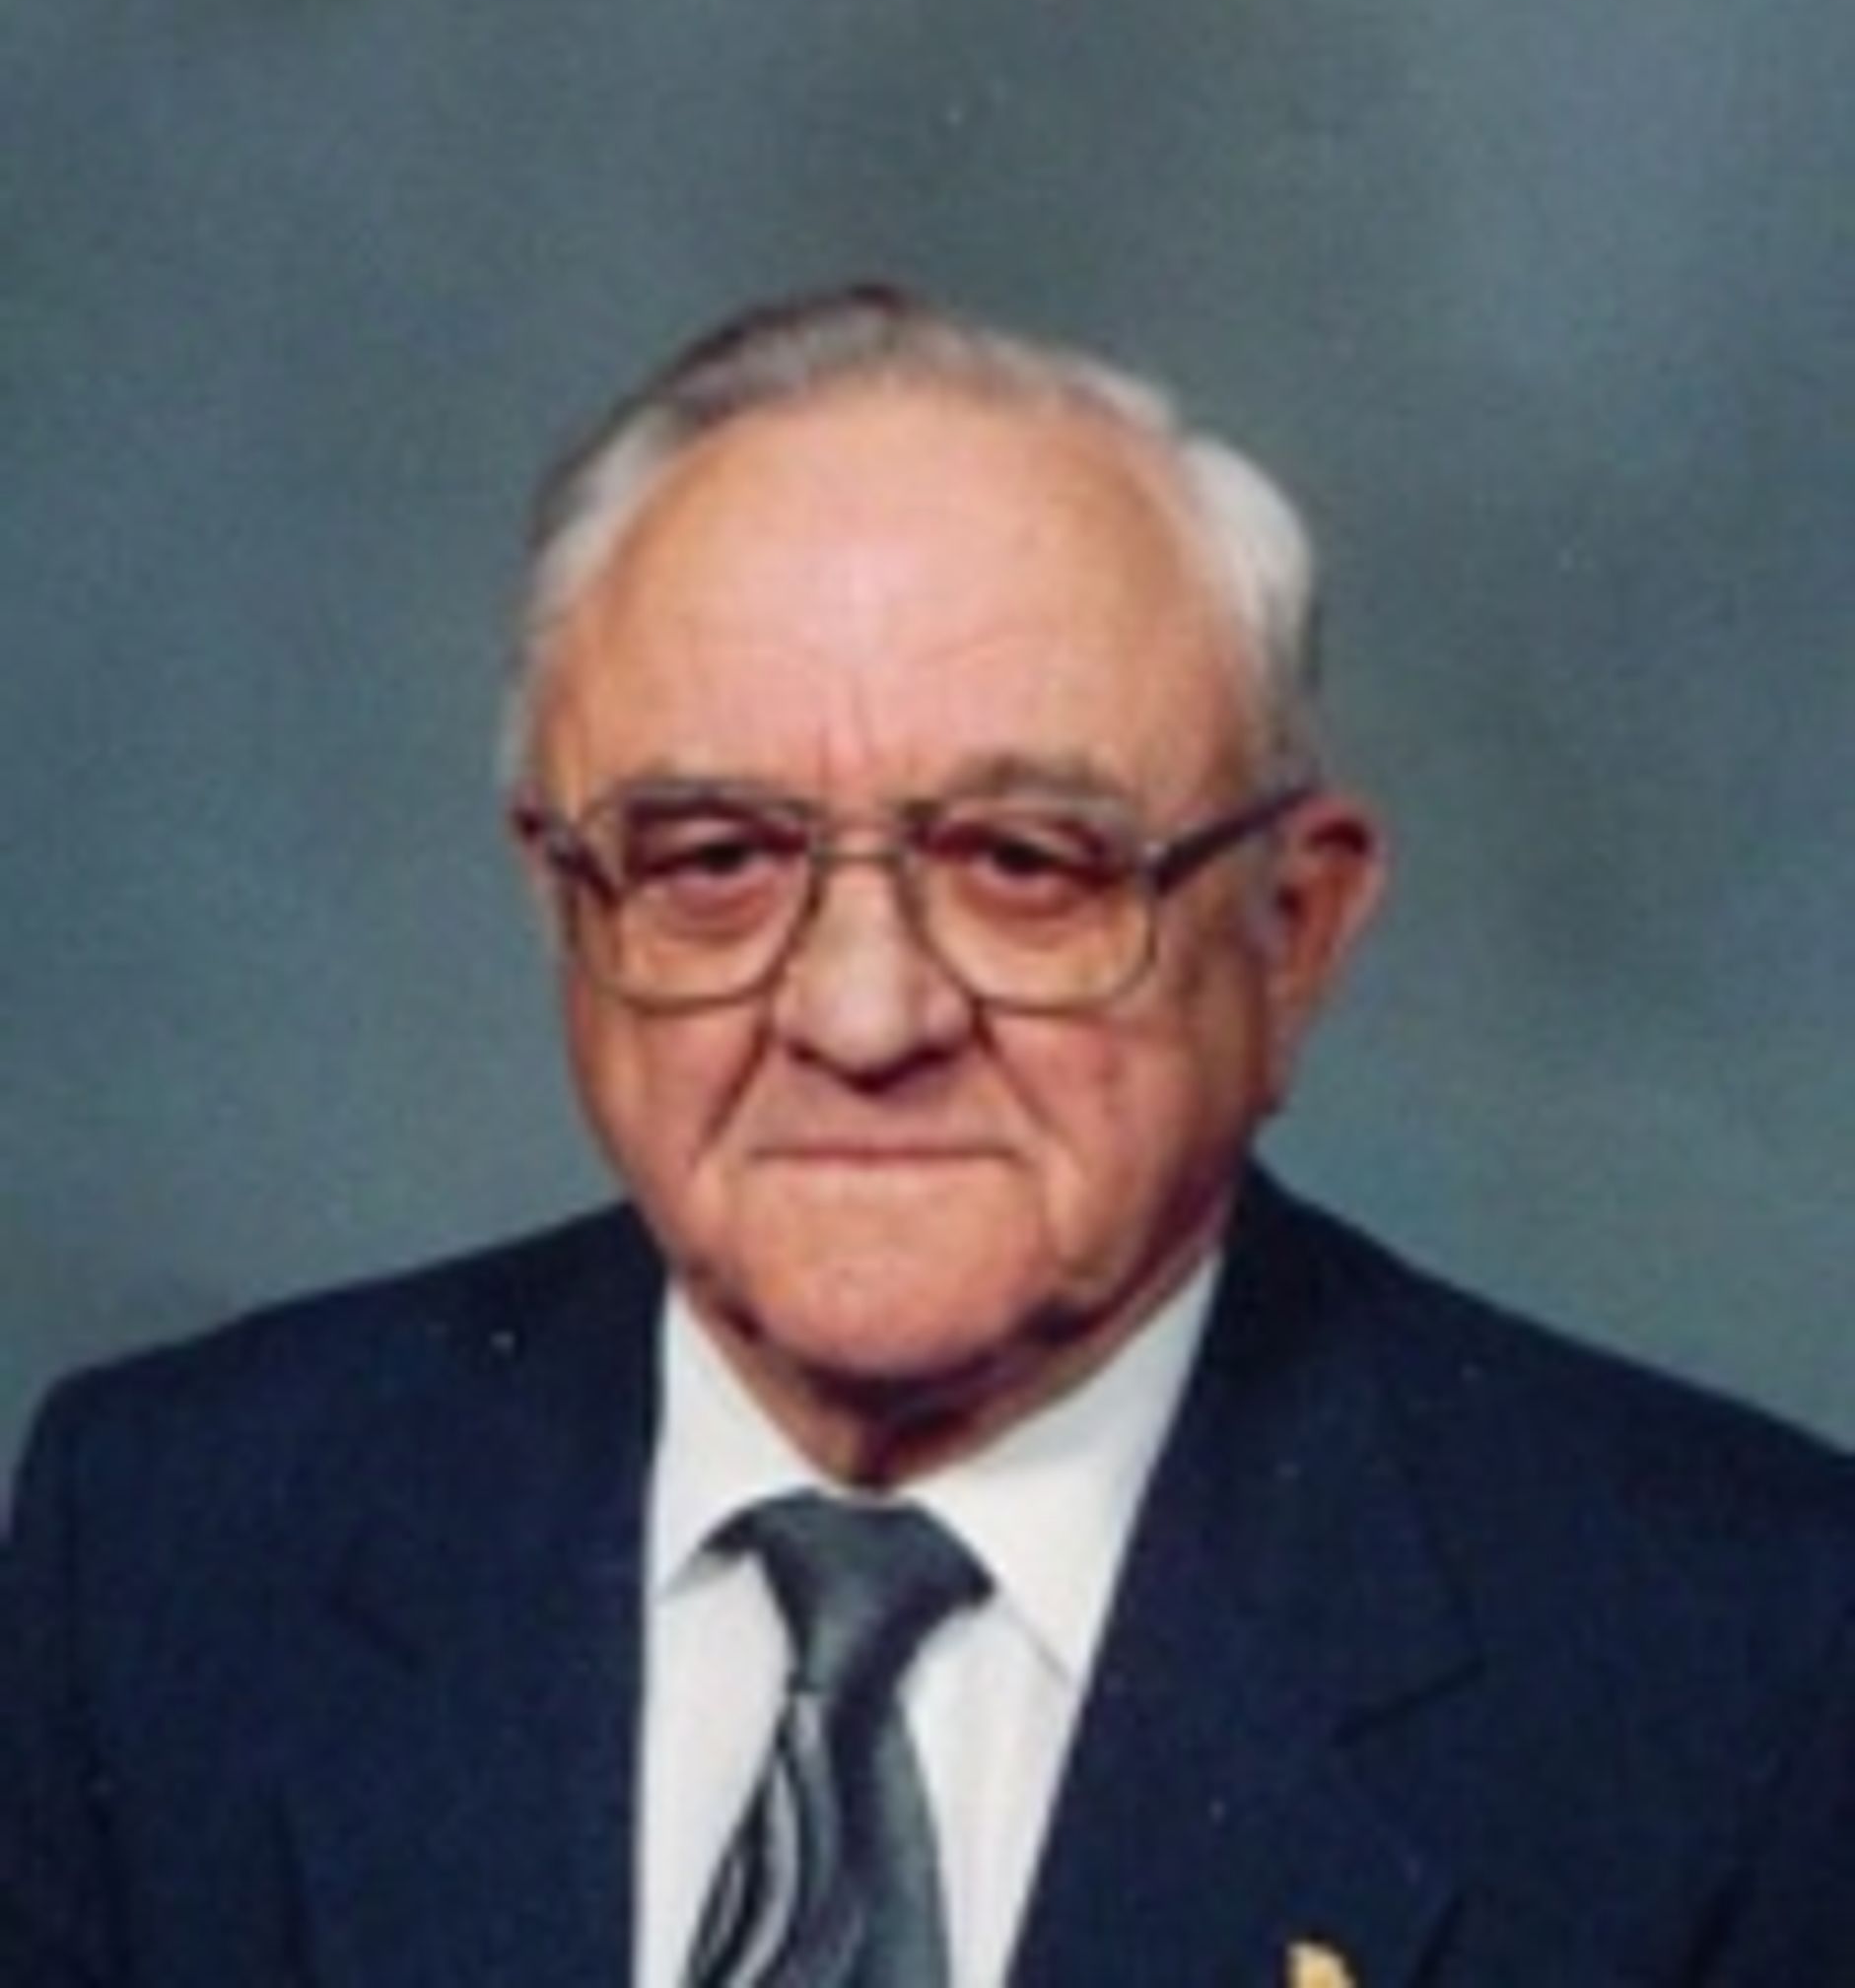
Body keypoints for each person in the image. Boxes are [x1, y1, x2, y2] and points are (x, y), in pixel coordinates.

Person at [2, 285, 1851, 1987]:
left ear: (1291, 933)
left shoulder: (1746, 1665)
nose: (863, 1018)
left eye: (1025, 864)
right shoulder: (167, 1545)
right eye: (713, 860)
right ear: (567, 906)